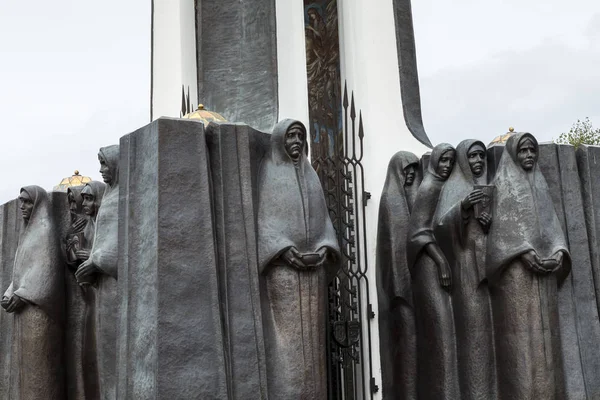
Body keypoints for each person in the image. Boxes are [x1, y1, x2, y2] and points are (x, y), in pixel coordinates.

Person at [258, 119, 340, 399]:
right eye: (291, 136)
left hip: (313, 271)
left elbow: (324, 221)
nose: (296, 141)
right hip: (283, 272)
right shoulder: (269, 173)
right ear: (280, 140)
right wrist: (284, 250)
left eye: (300, 136)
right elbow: (264, 222)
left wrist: (325, 247)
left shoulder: (312, 175)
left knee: (314, 341)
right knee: (288, 341)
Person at [486, 133, 570, 400]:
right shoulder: (503, 185)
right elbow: (501, 231)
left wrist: (559, 252)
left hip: (544, 275)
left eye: (532, 150)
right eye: (523, 151)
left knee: (547, 343)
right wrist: (523, 253)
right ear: (513, 154)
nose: (529, 156)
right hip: (517, 277)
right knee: (523, 341)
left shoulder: (540, 184)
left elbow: (552, 225)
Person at [435, 140, 496, 399]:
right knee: (474, 335)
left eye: (482, 155)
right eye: (473, 156)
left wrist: (488, 221)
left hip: (488, 271)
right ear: (463, 159)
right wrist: (463, 206)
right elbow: (439, 227)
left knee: (492, 337)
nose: (479, 160)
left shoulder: (485, 187)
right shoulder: (454, 188)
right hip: (466, 271)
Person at [1, 186, 65, 399]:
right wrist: (11, 292)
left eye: (27, 202)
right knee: (27, 367)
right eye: (21, 201)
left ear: (38, 205)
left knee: (39, 364)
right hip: (25, 310)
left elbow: (46, 272)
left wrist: (22, 294)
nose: (22, 207)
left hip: (39, 312)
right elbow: (22, 270)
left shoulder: (45, 231)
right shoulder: (29, 233)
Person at [407, 143, 460, 399]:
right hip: (428, 267)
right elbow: (418, 232)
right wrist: (440, 262)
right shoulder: (428, 188)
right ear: (434, 161)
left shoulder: (443, 186)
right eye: (443, 161)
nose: (447, 166)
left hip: (438, 265)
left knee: (447, 334)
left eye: (451, 161)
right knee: (441, 333)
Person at [375, 151, 420, 400]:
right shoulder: (391, 200)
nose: (411, 174)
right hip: (402, 291)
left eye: (414, 169)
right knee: (407, 348)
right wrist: (402, 289)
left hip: (413, 287)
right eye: (407, 169)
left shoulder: (408, 198)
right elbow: (392, 249)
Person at [76, 146, 119, 400]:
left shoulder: (120, 198)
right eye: (100, 165)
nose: (102, 171)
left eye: (105, 164)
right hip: (103, 285)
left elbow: (117, 242)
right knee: (104, 350)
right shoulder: (112, 197)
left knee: (113, 347)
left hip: (113, 284)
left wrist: (95, 261)